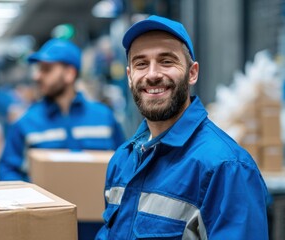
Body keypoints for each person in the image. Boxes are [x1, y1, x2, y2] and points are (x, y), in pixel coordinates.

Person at [96, 15, 269, 239]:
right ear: (130, 76)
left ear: (192, 73)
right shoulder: (122, 161)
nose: (152, 74)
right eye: (141, 64)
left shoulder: (226, 167)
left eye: (166, 61)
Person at [0, 38, 125, 182]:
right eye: (38, 69)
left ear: (69, 73)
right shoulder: (25, 123)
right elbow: (7, 171)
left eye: (46, 69)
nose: (37, 76)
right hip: (48, 204)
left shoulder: (104, 117)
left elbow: (123, 166)